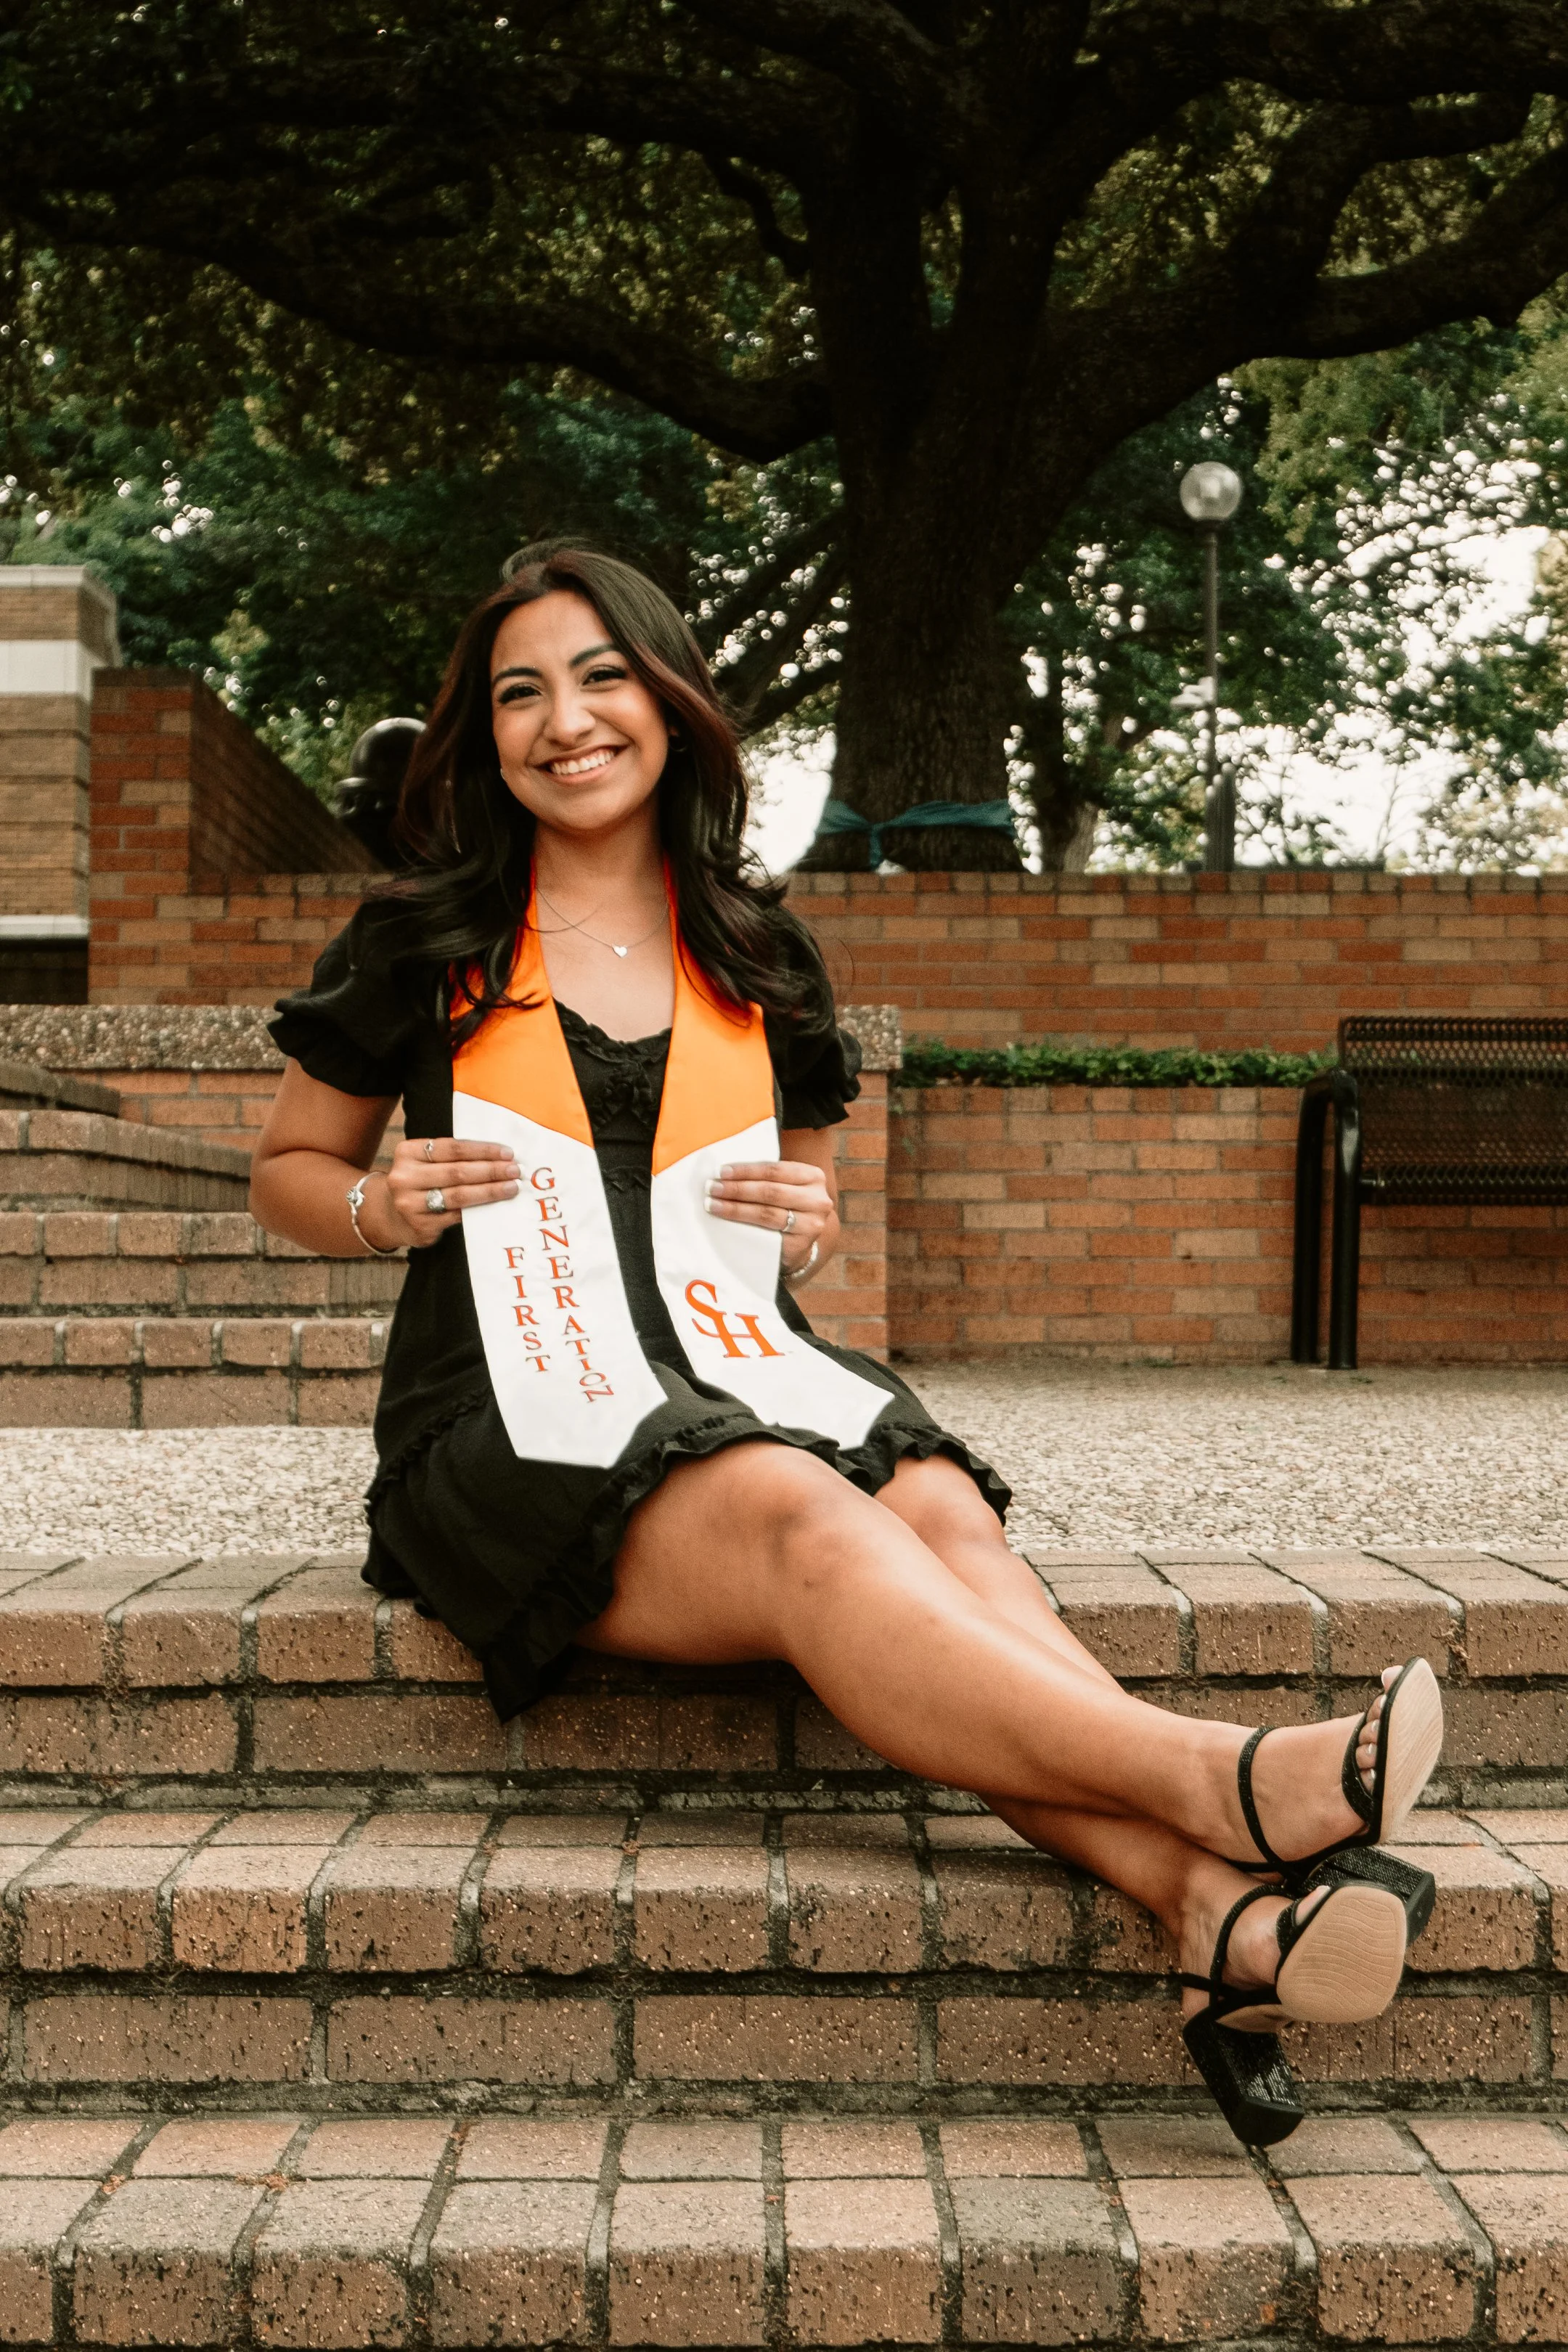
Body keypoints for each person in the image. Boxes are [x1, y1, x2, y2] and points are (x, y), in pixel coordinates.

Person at [252, 541, 1445, 2145]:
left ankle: (1220, 1918)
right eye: (520, 691)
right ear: (485, 737)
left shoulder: (757, 951)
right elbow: (287, 1174)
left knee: (941, 1509)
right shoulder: (427, 940)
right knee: (804, 1508)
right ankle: (1226, 1781)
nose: (566, 719)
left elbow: (799, 1191)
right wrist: (376, 1204)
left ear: (670, 706)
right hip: (515, 1411)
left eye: (602, 676)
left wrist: (805, 1222)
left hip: (741, 1362)